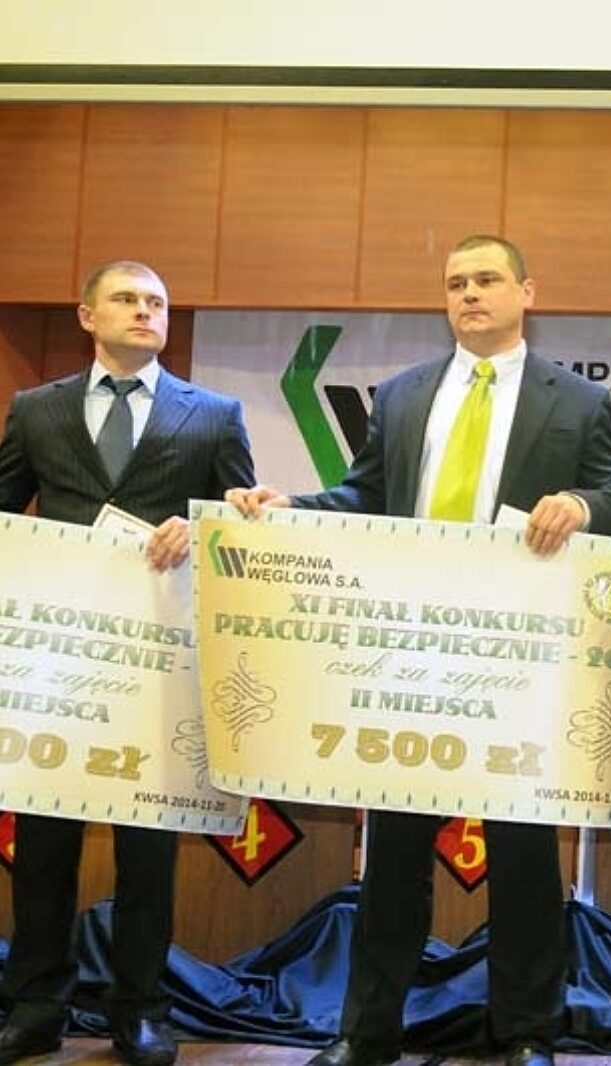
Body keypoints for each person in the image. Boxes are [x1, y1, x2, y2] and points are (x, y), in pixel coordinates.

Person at [227, 234, 611, 1066]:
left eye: (486, 279)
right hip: (410, 652)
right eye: (456, 283)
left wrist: (581, 505)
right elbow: (367, 496)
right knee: (393, 853)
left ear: (527, 292)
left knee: (523, 853)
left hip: (514, 657)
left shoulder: (579, 399)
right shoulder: (405, 393)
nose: (470, 294)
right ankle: (366, 1030)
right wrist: (292, 507)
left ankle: (527, 1032)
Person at [0, 260, 255, 1066]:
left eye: (156, 303)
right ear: (87, 315)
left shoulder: (216, 414)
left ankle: (140, 1009)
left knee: (150, 848)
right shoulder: (35, 410)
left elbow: (241, 529)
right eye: (127, 299)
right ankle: (36, 1004)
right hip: (57, 665)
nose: (145, 312)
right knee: (43, 842)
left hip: (160, 668)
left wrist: (199, 524)